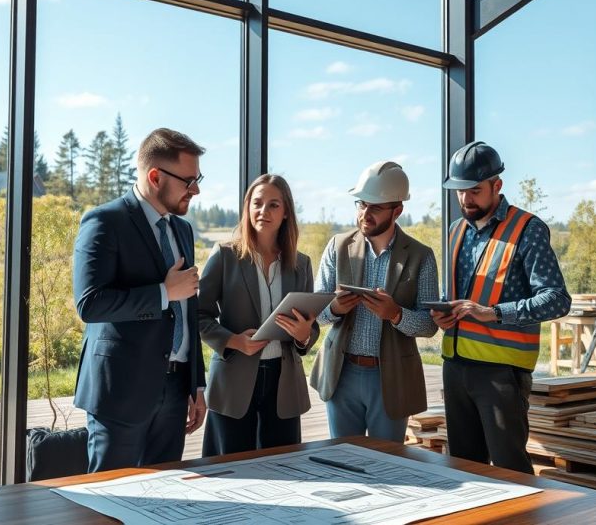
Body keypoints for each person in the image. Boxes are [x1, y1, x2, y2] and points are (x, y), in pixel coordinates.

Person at [72, 127, 208, 472]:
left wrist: (196, 384)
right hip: (121, 392)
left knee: (165, 498)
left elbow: (187, 311)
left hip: (176, 392)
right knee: (109, 497)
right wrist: (164, 292)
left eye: (197, 179)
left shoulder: (182, 230)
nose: (196, 189)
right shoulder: (105, 221)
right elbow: (90, 304)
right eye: (189, 181)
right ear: (155, 176)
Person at [433, 140, 571, 474]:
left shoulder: (528, 230)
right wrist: (441, 313)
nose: (466, 199)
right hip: (455, 368)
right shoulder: (455, 231)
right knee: (464, 471)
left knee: (510, 470)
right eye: (460, 191)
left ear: (497, 185)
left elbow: (557, 299)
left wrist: (494, 312)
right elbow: (454, 294)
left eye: (475, 190)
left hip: (501, 374)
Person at [310, 161, 440, 443]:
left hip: (391, 378)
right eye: (361, 204)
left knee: (388, 462)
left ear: (397, 210)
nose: (364, 214)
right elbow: (316, 314)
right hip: (341, 374)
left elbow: (429, 325)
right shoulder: (337, 246)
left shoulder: (421, 256)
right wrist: (334, 308)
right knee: (342, 460)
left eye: (375, 208)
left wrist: (395, 314)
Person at [198, 174, 320, 456]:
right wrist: (233, 341)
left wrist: (304, 336)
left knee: (283, 466)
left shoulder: (301, 264)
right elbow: (198, 315)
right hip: (233, 383)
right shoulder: (225, 256)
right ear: (247, 208)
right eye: (257, 203)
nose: (263, 211)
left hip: (284, 384)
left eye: (273, 205)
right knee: (228, 470)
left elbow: (309, 329)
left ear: (286, 211)